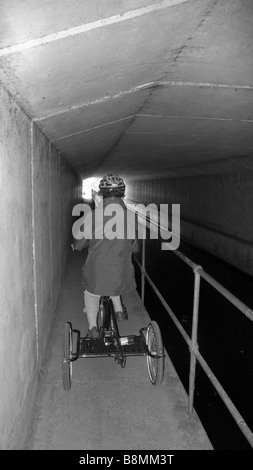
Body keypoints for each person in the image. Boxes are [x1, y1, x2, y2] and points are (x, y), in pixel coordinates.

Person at [72, 174, 139, 338]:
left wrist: (75, 245)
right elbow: (135, 248)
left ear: (102, 194)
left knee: (92, 293)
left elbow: (80, 244)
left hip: (97, 271)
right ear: (123, 194)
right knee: (113, 279)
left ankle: (93, 328)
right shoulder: (131, 216)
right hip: (121, 274)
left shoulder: (92, 216)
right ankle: (119, 311)